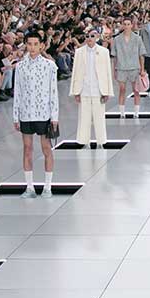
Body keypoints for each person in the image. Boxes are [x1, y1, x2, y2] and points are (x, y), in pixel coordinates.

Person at [13, 30, 60, 197]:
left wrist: (55, 116)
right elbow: (17, 91)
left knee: (46, 148)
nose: (32, 47)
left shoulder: (50, 66)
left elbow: (53, 91)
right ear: (26, 45)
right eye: (29, 44)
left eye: (35, 44)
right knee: (27, 148)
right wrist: (15, 115)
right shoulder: (20, 66)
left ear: (41, 46)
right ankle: (29, 187)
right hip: (26, 113)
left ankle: (48, 187)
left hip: (44, 113)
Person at [68, 27, 113, 147]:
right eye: (87, 36)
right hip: (84, 89)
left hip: (99, 89)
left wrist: (107, 91)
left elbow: (107, 73)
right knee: (84, 117)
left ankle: (101, 141)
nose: (89, 38)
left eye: (92, 36)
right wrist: (75, 92)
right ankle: (84, 141)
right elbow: (75, 72)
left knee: (99, 117)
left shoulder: (104, 52)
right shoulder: (79, 52)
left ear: (97, 37)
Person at [112, 17, 145, 118]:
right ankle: (122, 113)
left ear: (131, 25)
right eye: (125, 24)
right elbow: (114, 56)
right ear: (122, 25)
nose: (126, 26)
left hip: (134, 67)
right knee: (122, 90)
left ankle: (136, 112)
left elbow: (141, 55)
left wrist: (142, 69)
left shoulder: (137, 39)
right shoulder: (117, 39)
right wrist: (114, 70)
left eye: (128, 24)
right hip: (121, 67)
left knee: (136, 90)